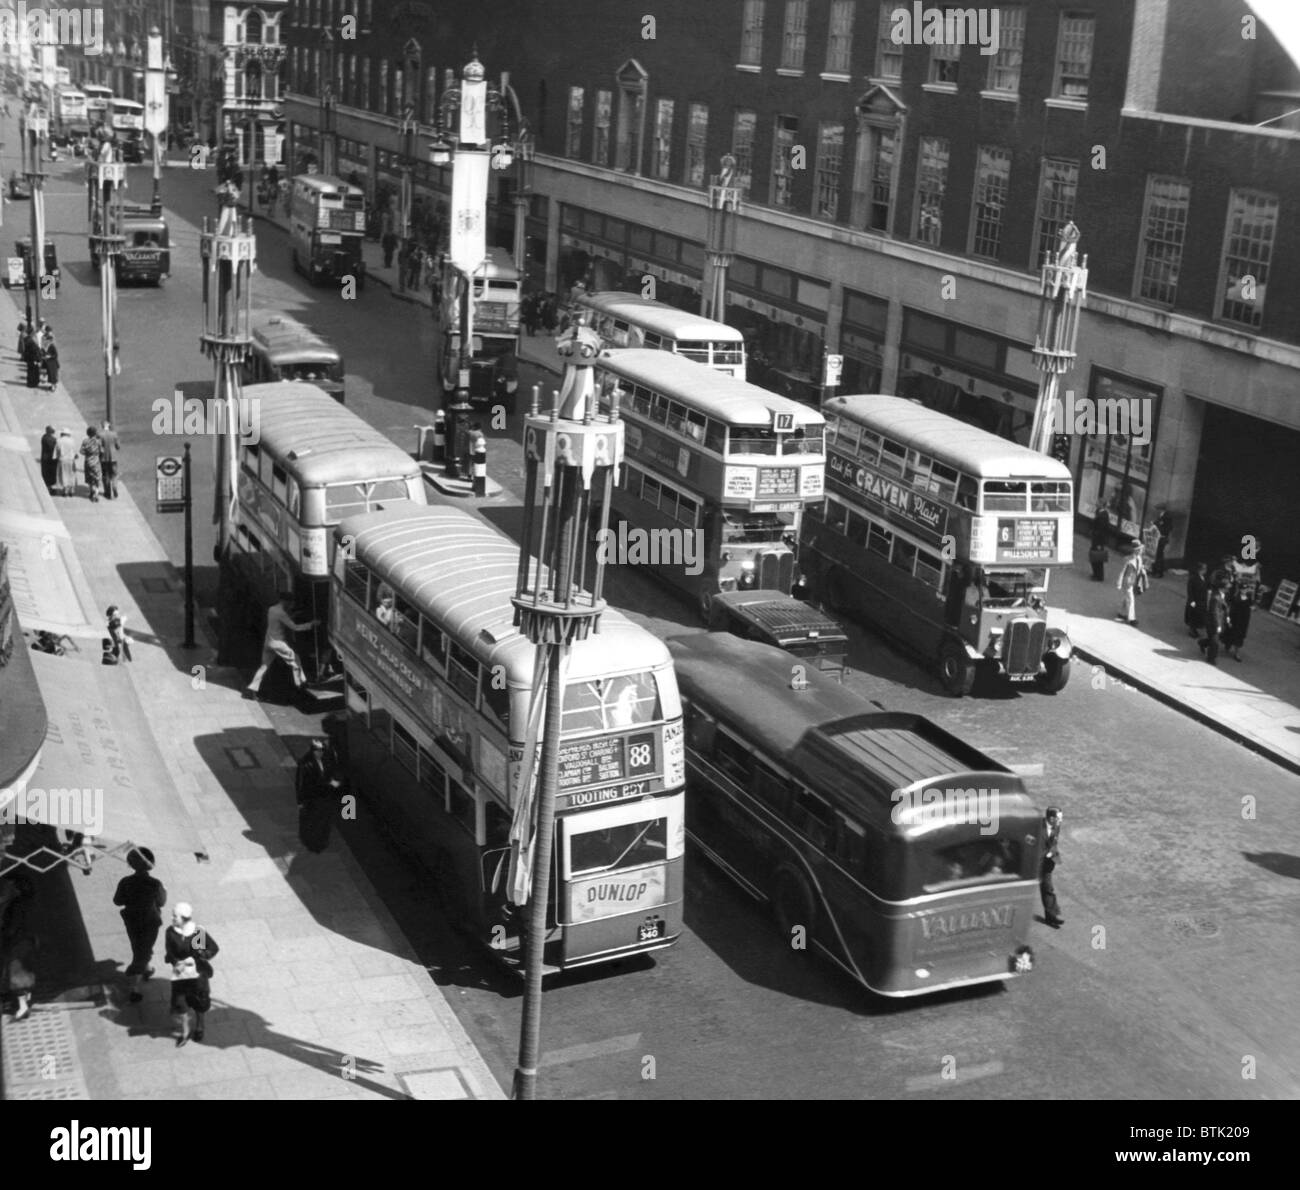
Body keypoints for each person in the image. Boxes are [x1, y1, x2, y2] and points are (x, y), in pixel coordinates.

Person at [113, 848, 166, 1002]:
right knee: (142, 951)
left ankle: (147, 968)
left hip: (132, 921)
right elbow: (162, 902)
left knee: (138, 946)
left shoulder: (125, 882)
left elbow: (117, 901)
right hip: (150, 921)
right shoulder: (155, 884)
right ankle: (134, 988)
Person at [245, 591, 318, 698]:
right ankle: (301, 683)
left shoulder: (272, 609)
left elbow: (281, 619)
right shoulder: (282, 613)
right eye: (290, 602)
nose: (291, 604)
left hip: (268, 642)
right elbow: (295, 627)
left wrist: (292, 615)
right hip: (278, 643)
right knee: (295, 660)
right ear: (286, 602)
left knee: (264, 667)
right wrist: (311, 624)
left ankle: (252, 689)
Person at [164, 902, 218, 1046]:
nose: (172, 918)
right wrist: (176, 961)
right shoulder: (171, 932)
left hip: (197, 975)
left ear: (184, 918)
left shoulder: (196, 933)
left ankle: (200, 1026)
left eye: (175, 916)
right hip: (180, 975)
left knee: (199, 1002)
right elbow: (169, 951)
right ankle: (185, 1031)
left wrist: (202, 956)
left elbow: (212, 949)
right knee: (180, 1003)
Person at [295, 738, 344, 853]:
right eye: (318, 750)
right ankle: (312, 843)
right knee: (312, 821)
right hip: (312, 798)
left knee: (324, 820)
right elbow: (300, 784)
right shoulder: (305, 764)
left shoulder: (324, 760)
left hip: (323, 797)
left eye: (321, 750)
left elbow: (327, 774)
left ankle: (321, 841)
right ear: (312, 751)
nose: (320, 752)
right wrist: (300, 802)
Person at [1, 874, 38, 1020]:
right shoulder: (19, 906)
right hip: (18, 942)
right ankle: (22, 1003)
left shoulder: (15, 906)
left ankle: (21, 1003)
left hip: (16, 943)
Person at [1223, 550, 1262, 662]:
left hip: (1244, 614)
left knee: (1240, 633)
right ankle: (1228, 643)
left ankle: (1236, 652)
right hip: (1236, 610)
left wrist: (1255, 604)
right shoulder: (1236, 594)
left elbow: (1256, 591)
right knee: (1231, 629)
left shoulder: (1249, 595)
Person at [1040, 808, 1064, 928]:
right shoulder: (1036, 828)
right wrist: (1046, 854)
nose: (1061, 820)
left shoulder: (1057, 826)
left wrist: (1051, 853)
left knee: (1048, 888)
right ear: (1051, 818)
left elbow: (1054, 842)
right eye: (1059, 817)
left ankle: (1051, 917)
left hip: (1046, 864)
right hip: (1034, 864)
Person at [1115, 538, 1146, 626]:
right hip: (1127, 582)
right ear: (1135, 550)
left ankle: (1121, 613)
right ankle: (1132, 618)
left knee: (1126, 598)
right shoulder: (1127, 559)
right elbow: (1122, 571)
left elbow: (1139, 567)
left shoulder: (1139, 559)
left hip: (1134, 582)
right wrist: (1119, 583)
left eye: (1141, 549)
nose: (1141, 551)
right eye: (1139, 549)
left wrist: (1142, 569)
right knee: (1131, 599)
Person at [1199, 576, 1230, 665]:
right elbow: (1214, 613)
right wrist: (1218, 625)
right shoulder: (1215, 598)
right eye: (1227, 587)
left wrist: (1227, 617)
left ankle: (1202, 643)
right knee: (1215, 643)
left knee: (1213, 639)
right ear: (1222, 587)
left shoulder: (1222, 595)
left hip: (1220, 621)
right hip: (1213, 623)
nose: (1228, 588)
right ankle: (1211, 658)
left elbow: (1224, 607)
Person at [79, 425, 103, 502]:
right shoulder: (98, 441)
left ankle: (91, 491)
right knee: (97, 478)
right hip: (96, 462)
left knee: (89, 478)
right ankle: (96, 493)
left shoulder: (85, 441)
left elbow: (81, 451)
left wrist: (87, 453)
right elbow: (102, 451)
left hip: (88, 462)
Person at [99, 420, 122, 499]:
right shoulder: (114, 434)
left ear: (102, 426)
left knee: (105, 475)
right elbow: (118, 446)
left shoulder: (100, 435)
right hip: (113, 458)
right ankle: (114, 486)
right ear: (108, 426)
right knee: (114, 474)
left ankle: (107, 492)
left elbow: (99, 446)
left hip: (103, 458)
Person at [1184, 562, 1208, 639]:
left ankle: (1195, 629)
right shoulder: (1193, 578)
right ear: (1199, 570)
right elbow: (1190, 590)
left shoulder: (1203, 577)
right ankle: (1192, 630)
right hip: (1195, 600)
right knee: (1193, 615)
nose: (1205, 571)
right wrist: (1192, 601)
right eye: (1204, 569)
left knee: (1198, 616)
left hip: (1201, 601)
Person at [1152, 505, 1173, 577]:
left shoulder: (1167, 517)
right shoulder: (1161, 515)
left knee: (1159, 555)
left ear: (1162, 509)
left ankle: (1159, 572)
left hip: (1162, 538)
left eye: (1158, 509)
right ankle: (1154, 570)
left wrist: (1159, 526)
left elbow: (1168, 528)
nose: (1157, 511)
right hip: (1157, 537)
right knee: (1156, 554)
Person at [57, 428, 77, 496]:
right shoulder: (72, 441)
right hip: (71, 459)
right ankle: (71, 490)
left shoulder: (59, 441)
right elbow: (75, 451)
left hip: (62, 460)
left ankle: (65, 489)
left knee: (63, 474)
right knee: (71, 474)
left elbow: (56, 451)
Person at [39, 425, 58, 494]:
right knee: (49, 474)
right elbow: (53, 448)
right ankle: (48, 489)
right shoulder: (51, 439)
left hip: (45, 458)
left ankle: (48, 488)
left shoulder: (44, 437)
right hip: (49, 459)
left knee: (45, 474)